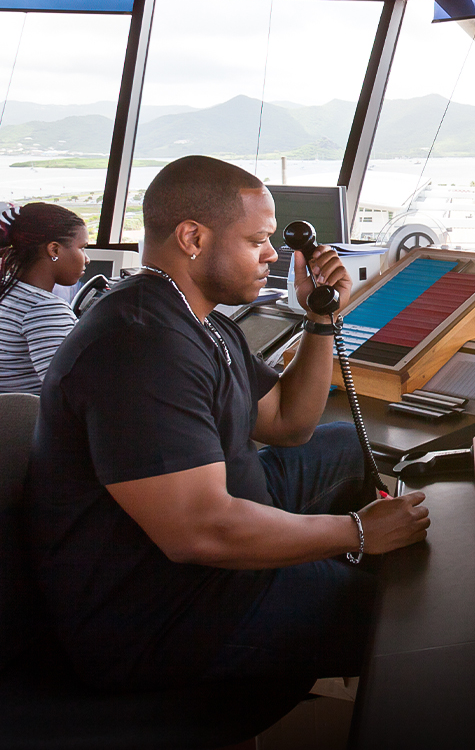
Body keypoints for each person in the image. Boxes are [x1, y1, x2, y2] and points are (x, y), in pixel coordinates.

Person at [26, 156, 429, 696]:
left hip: (214, 530)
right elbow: (199, 530)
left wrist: (320, 320)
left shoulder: (201, 321)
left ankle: (341, 562)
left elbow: (289, 424)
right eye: (257, 240)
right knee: (409, 619)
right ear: (192, 237)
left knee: (341, 440)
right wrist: (357, 532)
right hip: (163, 613)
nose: (273, 255)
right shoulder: (139, 347)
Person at [0, 201, 89, 395]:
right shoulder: (44, 308)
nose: (87, 259)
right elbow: (71, 392)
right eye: (82, 247)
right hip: (25, 422)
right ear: (54, 250)